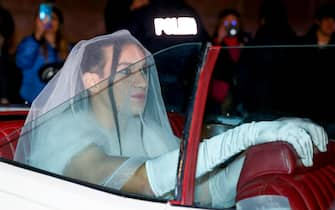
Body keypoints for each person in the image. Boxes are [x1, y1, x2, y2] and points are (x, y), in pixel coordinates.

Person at [14, 30, 328, 208]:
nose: (141, 82)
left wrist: (267, 148)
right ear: (91, 80)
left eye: (144, 72)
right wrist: (247, 134)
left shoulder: (144, 129)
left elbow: (200, 189)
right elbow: (142, 182)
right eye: (127, 72)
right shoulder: (64, 133)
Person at [15, 5, 70, 104]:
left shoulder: (67, 48)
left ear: (59, 23)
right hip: (33, 103)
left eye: (53, 18)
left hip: (57, 103)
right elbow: (22, 62)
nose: (49, 22)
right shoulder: (30, 43)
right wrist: (37, 36)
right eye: (44, 18)